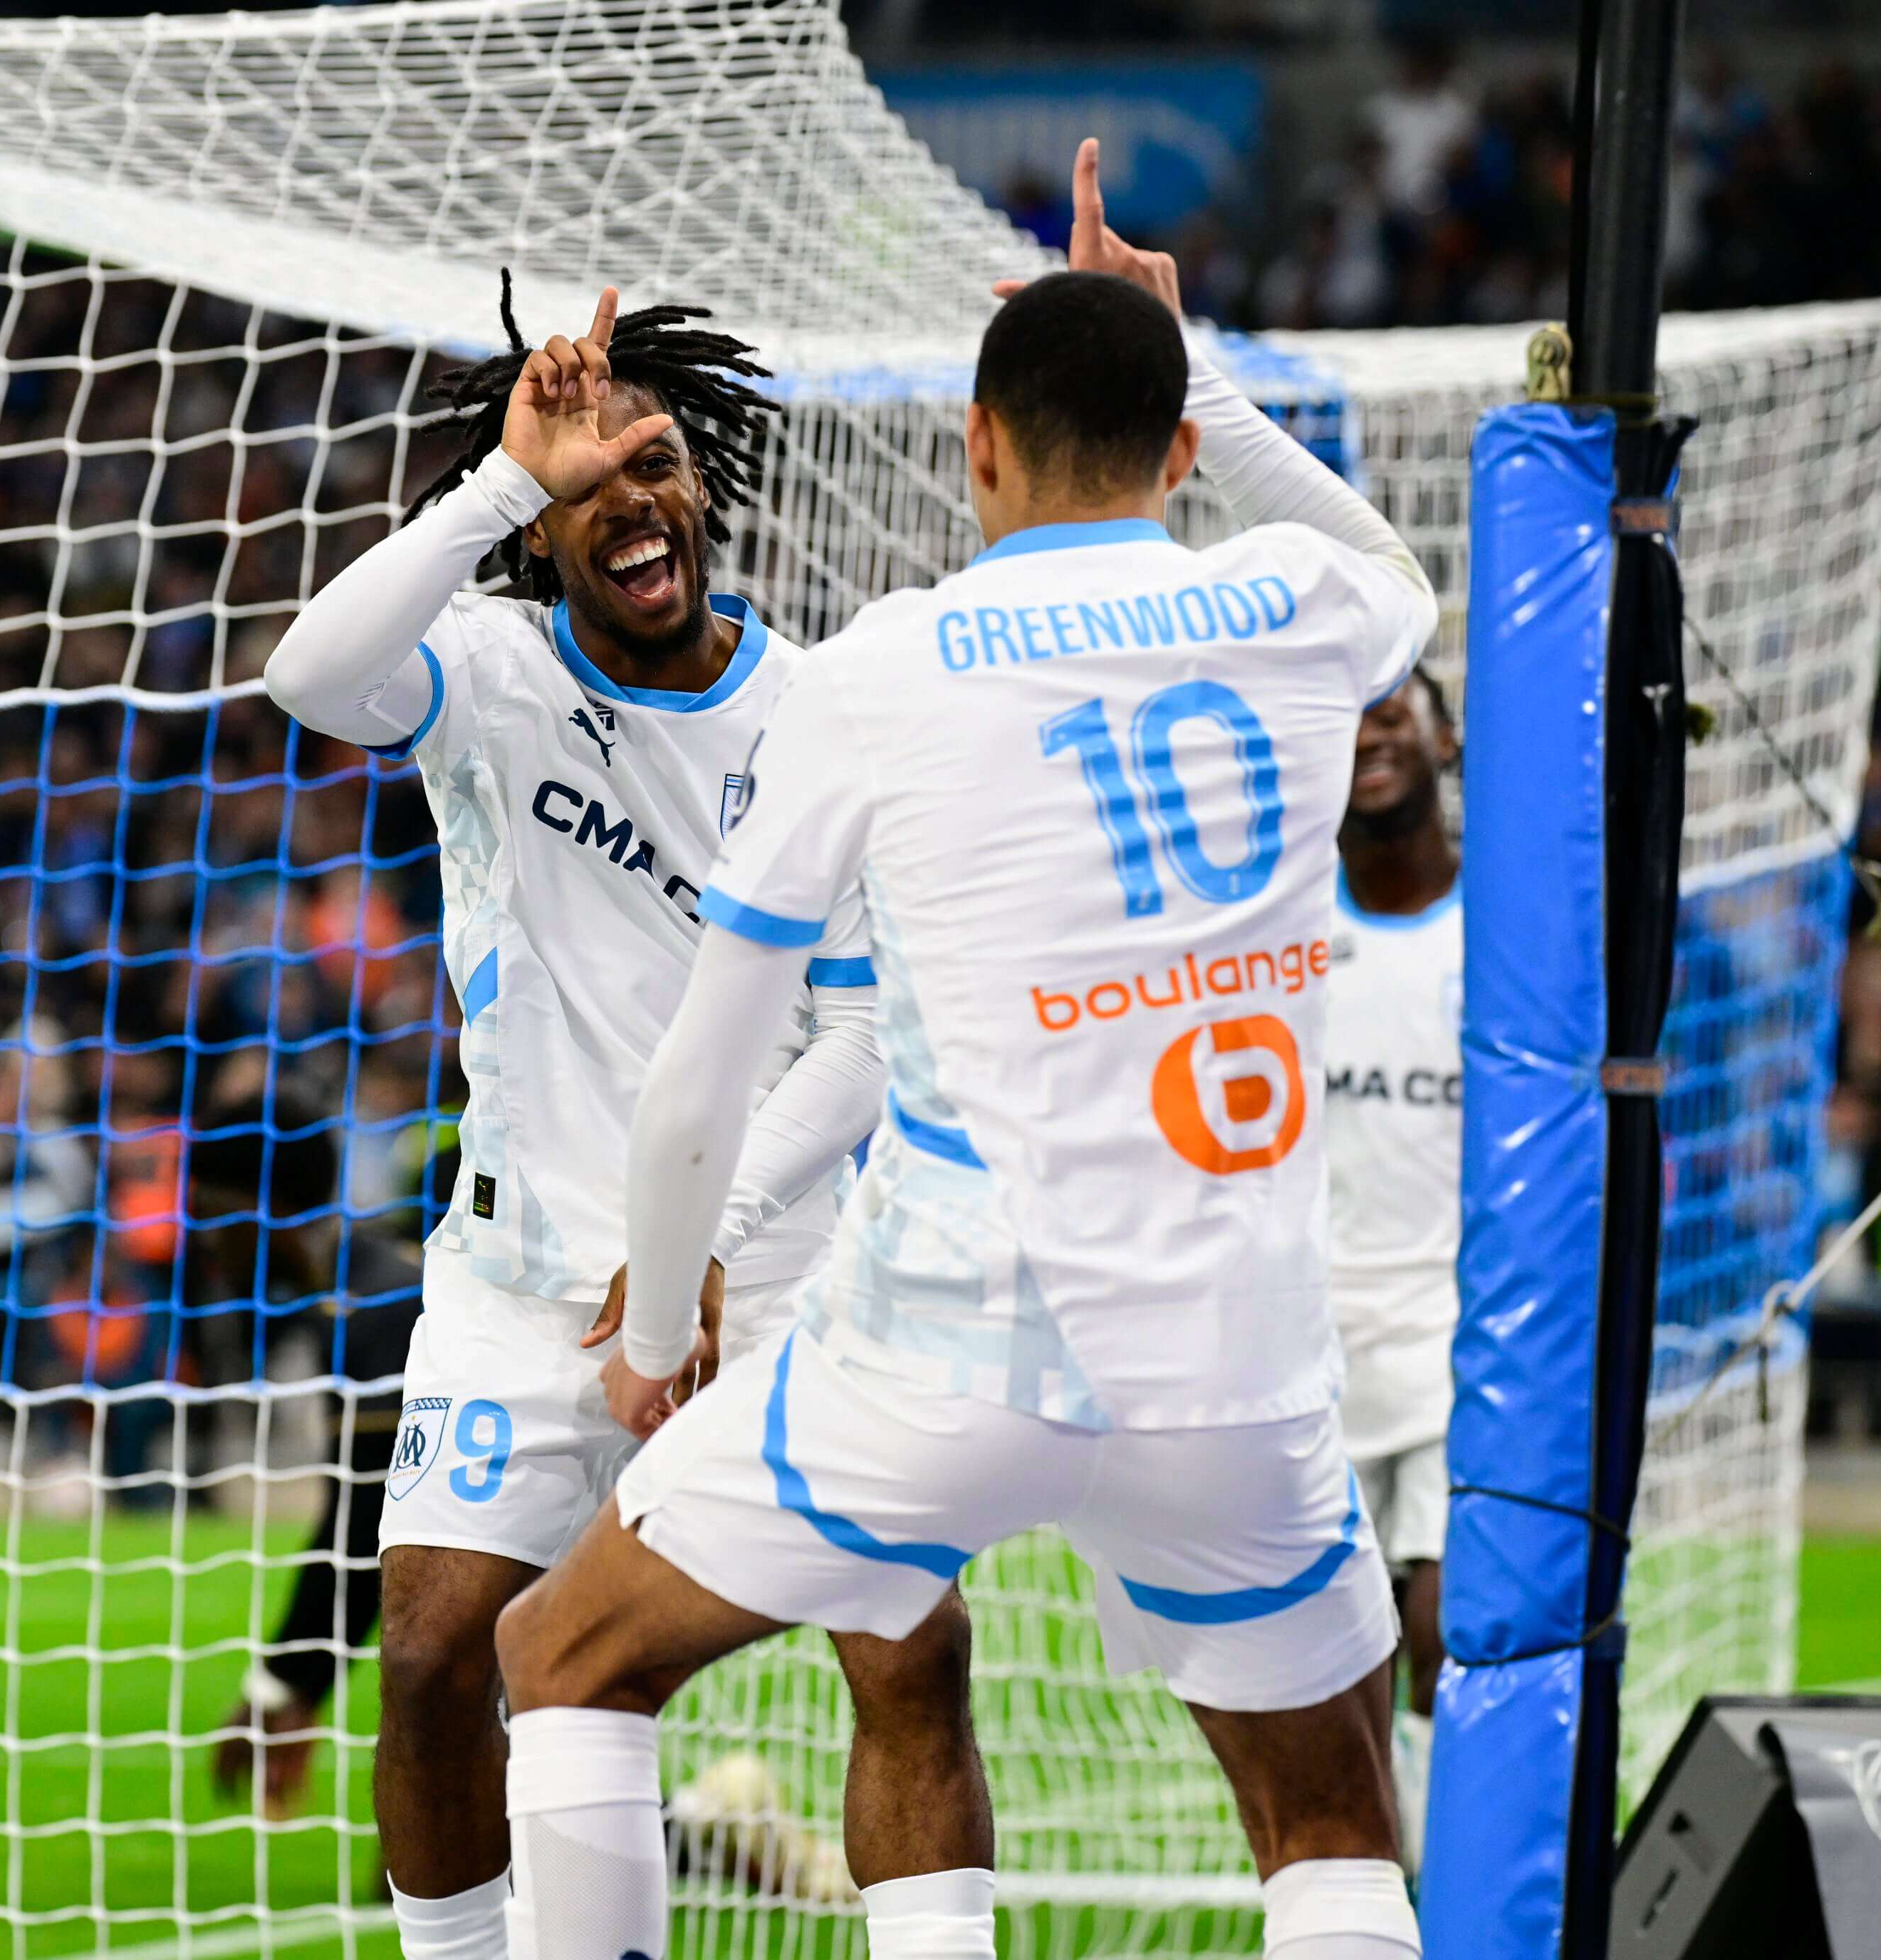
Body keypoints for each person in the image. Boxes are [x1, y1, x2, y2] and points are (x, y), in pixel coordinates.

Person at [493, 140, 1437, 1960]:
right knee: (1327, 1822)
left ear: (973, 449)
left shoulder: (880, 668)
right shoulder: (1303, 613)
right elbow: (1379, 560)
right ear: (1175, 459)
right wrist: (1203, 376)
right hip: (1231, 1365)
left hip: (946, 1351)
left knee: (566, 1660)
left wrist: (670, 1310)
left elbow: (708, 1064)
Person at [263, 277, 961, 1960]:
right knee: (432, 1653)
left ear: (699, 484)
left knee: (907, 1654)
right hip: (517, 1281)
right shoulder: (489, 680)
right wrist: (498, 480)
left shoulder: (819, 708)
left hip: (781, 1272)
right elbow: (304, 674)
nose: (622, 503)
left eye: (646, 461)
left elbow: (862, 1043)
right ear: (540, 533)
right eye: (579, 488)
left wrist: (696, 1247)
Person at [1324, 672, 1464, 1871]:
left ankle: (1442, 1876)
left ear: (1446, 734)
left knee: (1444, 1616)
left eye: (1393, 705)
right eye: (1346, 708)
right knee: (1335, 1646)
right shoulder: (1273, 928)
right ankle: (1371, 1870)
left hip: (1456, 1335)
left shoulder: (1502, 937)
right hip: (1309, 1343)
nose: (1370, 727)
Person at [194, 1098, 424, 1820]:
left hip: (504, 1580)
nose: (205, 1238)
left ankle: (709, 1821)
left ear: (265, 1206)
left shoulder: (374, 1311)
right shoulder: (370, 1284)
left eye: (212, 1211)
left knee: (458, 1844)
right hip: (491, 1583)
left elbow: (363, 1527)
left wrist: (287, 1687)